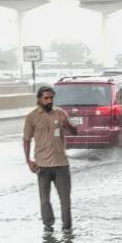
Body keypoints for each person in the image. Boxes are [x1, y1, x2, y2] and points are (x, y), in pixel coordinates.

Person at [23, 85, 78, 231]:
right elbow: (26, 140)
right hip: (42, 166)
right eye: (46, 98)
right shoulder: (31, 117)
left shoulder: (60, 113)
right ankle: (48, 226)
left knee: (65, 199)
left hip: (61, 164)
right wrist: (28, 161)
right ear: (39, 99)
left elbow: (75, 131)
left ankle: (67, 227)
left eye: (51, 98)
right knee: (44, 199)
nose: (49, 101)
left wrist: (68, 124)